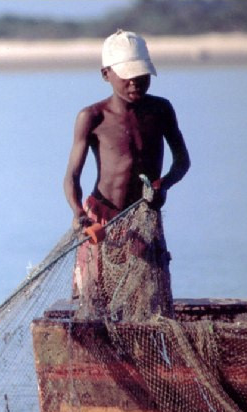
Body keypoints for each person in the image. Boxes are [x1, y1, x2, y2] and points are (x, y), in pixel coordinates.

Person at [64, 30, 190, 321]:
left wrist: (163, 184)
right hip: (102, 220)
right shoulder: (92, 116)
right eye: (126, 76)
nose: (135, 82)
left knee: (146, 304)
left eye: (141, 75)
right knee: (97, 306)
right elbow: (72, 176)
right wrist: (76, 212)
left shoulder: (160, 109)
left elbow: (182, 160)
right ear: (106, 74)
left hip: (144, 218)